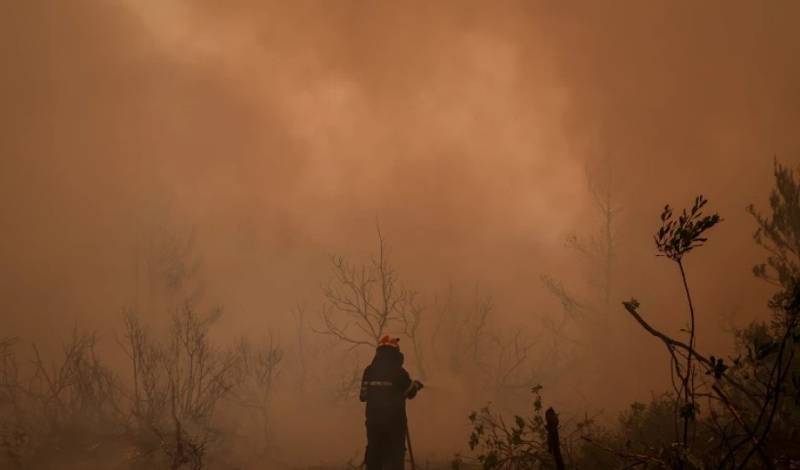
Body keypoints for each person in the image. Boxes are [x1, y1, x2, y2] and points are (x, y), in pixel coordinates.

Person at [359, 336, 423, 470]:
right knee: (395, 455)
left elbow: (363, 396)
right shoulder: (399, 372)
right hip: (395, 423)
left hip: (373, 422)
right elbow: (410, 393)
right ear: (396, 353)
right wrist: (416, 385)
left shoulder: (369, 371)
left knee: (374, 453)